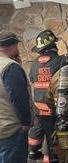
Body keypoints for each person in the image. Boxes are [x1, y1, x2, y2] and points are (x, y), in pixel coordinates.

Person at [28, 29, 67, 162]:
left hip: (39, 108)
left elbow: (34, 81)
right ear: (53, 46)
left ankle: (33, 151)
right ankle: (51, 157)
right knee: (53, 139)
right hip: (55, 108)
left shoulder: (34, 64)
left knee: (38, 131)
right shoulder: (61, 61)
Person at [0, 31, 31, 163]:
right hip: (11, 129)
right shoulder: (10, 67)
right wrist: (25, 122)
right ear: (11, 46)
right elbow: (18, 97)